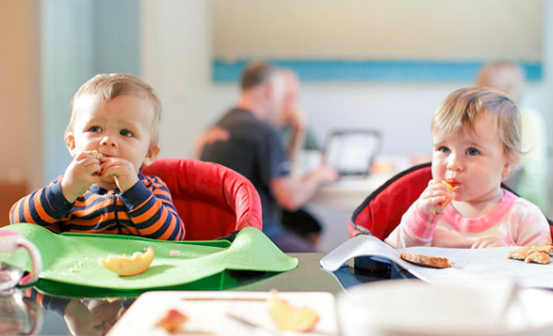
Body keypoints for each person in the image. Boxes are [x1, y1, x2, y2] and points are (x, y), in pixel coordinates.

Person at [10, 73, 185, 241]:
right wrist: (66, 190)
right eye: (95, 129)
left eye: (125, 132)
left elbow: (173, 235)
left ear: (148, 153)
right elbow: (18, 222)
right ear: (73, 144)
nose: (108, 140)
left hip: (139, 270)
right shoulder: (67, 189)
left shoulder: (151, 188)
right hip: (77, 270)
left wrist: (133, 190)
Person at [385, 87, 551, 249]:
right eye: (444, 149)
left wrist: (508, 254)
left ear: (507, 164)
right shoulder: (427, 209)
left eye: (472, 151)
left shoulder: (524, 218)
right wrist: (421, 217)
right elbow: (390, 254)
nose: (453, 164)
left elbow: (541, 270)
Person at [199, 62, 338, 252]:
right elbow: (290, 198)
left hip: (218, 237)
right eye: (283, 98)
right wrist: (319, 176)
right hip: (257, 237)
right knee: (320, 262)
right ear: (270, 90)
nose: (284, 107)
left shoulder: (218, 127)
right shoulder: (264, 132)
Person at [476, 62, 549, 213]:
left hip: (525, 201)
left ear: (512, 92)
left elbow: (520, 169)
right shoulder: (488, 118)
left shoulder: (528, 120)